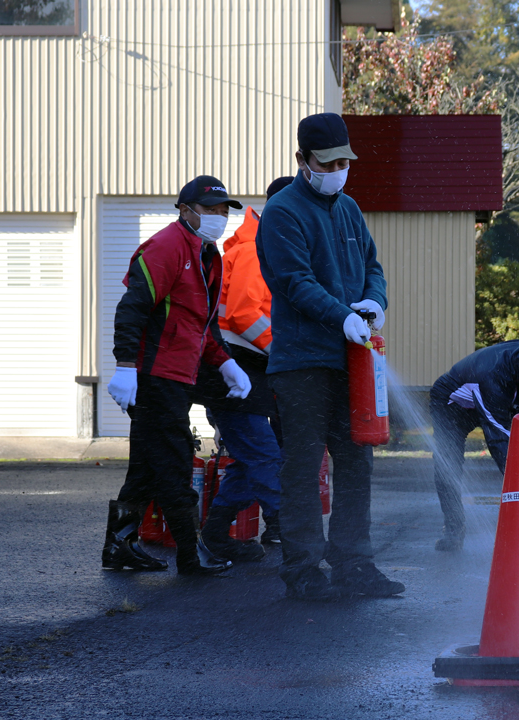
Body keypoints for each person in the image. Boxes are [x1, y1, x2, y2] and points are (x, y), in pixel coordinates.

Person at [256, 113, 403, 601]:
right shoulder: (283, 212)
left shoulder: (350, 210)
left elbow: (373, 268)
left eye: (345, 161)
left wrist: (373, 302)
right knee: (302, 465)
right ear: (302, 161)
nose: (340, 169)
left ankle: (354, 564)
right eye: (329, 162)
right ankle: (302, 568)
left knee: (357, 459)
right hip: (301, 363)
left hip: (353, 361)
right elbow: (293, 281)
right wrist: (342, 316)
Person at [102, 176, 252, 576]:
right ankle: (191, 555)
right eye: (210, 210)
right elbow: (132, 308)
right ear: (185, 210)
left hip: (176, 377)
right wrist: (125, 366)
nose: (219, 217)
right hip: (155, 377)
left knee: (147, 467)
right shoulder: (168, 247)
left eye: (224, 211)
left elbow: (200, 327)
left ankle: (119, 547)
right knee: (174, 460)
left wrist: (225, 363)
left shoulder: (207, 255)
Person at [195, 176, 293, 562]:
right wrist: (285, 355)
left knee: (252, 459)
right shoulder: (255, 249)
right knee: (265, 457)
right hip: (234, 376)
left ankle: (215, 535)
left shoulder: (261, 245)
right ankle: (289, 533)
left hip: (243, 375)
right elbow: (244, 315)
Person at [429, 334, 519, 552]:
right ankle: (454, 529)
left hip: (507, 395)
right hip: (453, 404)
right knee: (449, 464)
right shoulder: (492, 374)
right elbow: (501, 443)